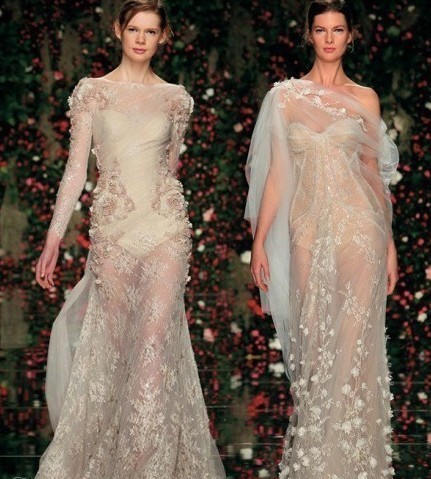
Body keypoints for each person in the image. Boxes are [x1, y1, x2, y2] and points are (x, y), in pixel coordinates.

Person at [34, 1, 226, 477]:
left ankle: (146, 463)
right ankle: (112, 454)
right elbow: (76, 169)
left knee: (154, 341)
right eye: (134, 29)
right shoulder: (92, 93)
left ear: (164, 37)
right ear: (119, 30)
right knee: (117, 345)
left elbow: (170, 167)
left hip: (165, 229)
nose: (141, 39)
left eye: (151, 31)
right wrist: (54, 237)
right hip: (113, 234)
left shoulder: (176, 99)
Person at [245, 1, 398, 478]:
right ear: (308, 35)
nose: (329, 38)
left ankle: (354, 465)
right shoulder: (285, 97)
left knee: (355, 349)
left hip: (361, 232)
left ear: (351, 36)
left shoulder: (366, 98)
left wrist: (390, 245)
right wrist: (259, 241)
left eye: (338, 29)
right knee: (314, 349)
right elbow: (275, 176)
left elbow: (372, 174)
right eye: (320, 29)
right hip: (308, 231)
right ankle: (317, 462)